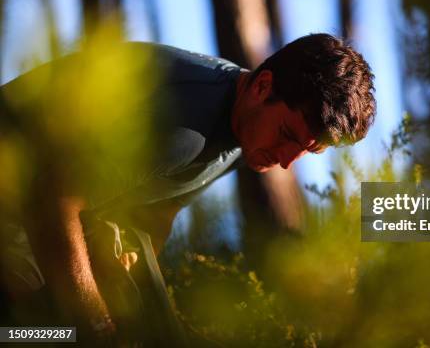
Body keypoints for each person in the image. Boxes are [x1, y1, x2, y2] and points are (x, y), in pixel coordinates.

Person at [0, 33, 376, 344]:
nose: (284, 161)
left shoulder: (248, 131)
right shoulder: (180, 122)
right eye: (286, 136)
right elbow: (55, 198)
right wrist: (91, 319)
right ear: (263, 87)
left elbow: (159, 209)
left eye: (306, 150)